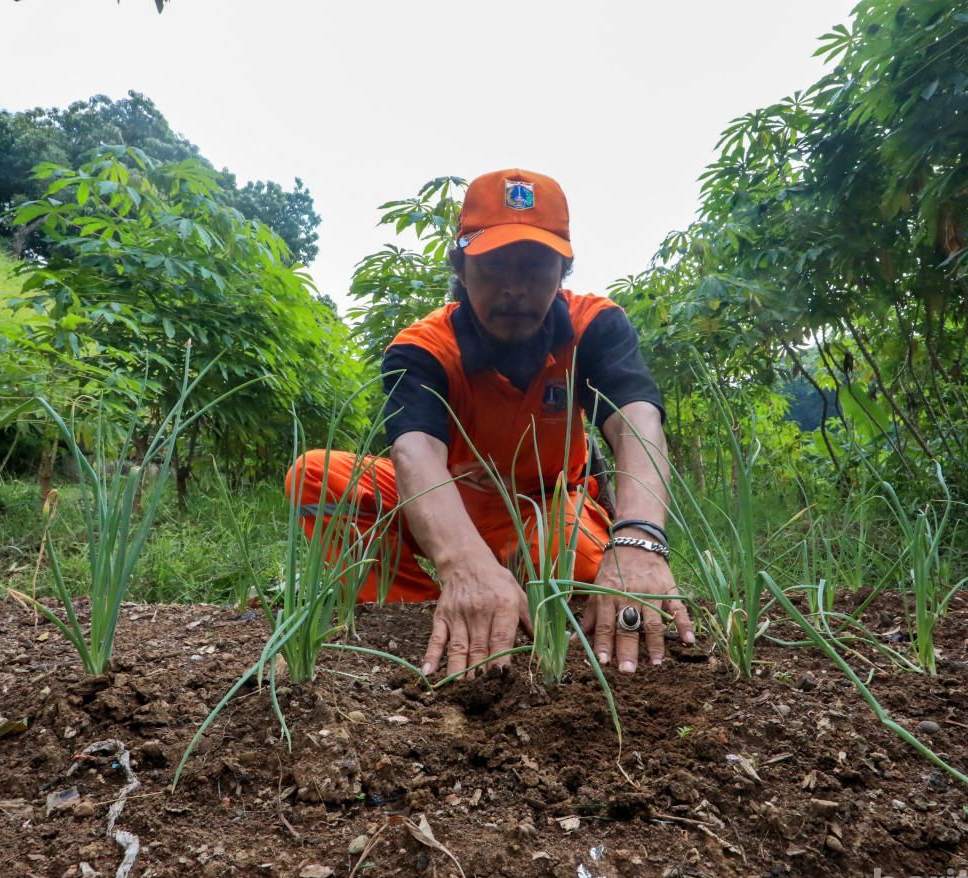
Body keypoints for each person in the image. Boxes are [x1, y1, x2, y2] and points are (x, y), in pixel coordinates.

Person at [287, 168, 694, 678]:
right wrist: (463, 563)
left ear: (563, 270)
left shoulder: (593, 325)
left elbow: (636, 422)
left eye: (536, 266)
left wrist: (637, 538)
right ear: (460, 266)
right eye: (494, 264)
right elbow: (415, 451)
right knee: (316, 475)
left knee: (599, 587)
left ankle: (504, 596)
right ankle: (415, 610)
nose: (515, 288)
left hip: (545, 509)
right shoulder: (424, 348)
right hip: (444, 500)